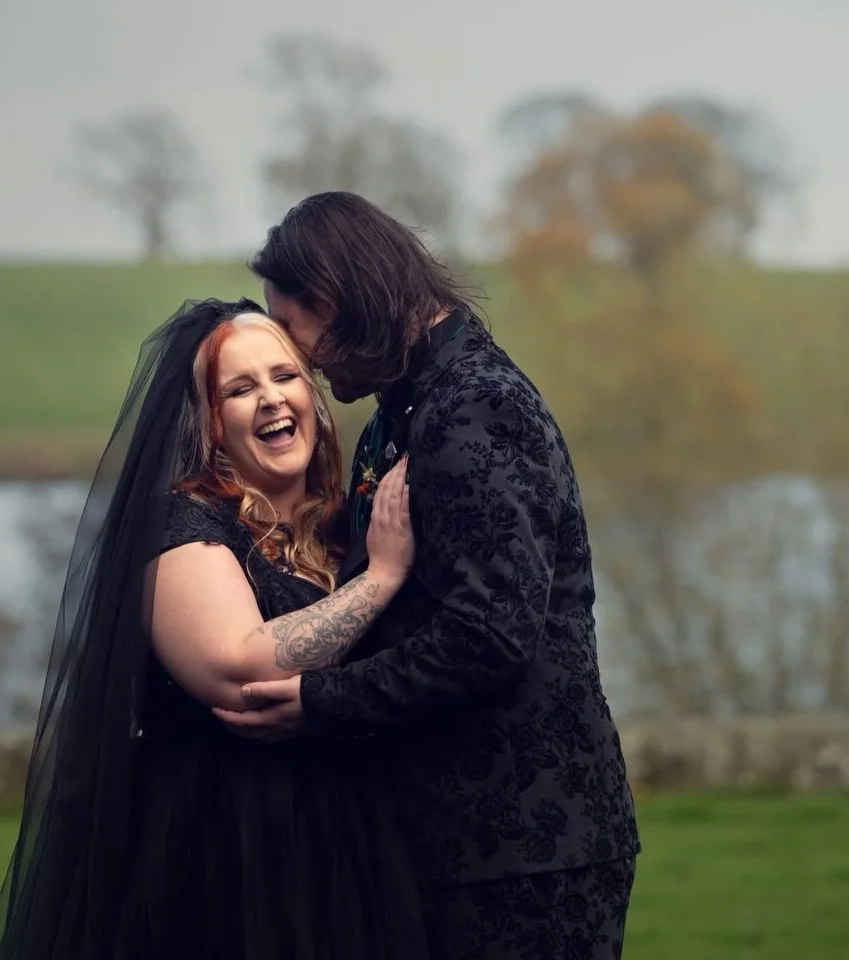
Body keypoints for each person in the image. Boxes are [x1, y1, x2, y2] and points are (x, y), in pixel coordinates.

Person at [215, 192, 643, 960]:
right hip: (460, 841)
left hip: (527, 848)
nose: (306, 360)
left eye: (302, 332)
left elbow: (490, 635)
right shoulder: (408, 410)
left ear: (342, 302)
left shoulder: (477, 407)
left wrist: (320, 702)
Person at [0, 297, 431, 960]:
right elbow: (240, 665)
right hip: (223, 856)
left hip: (348, 842)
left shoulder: (341, 528)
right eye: (241, 389)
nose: (273, 401)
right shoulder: (180, 527)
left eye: (285, 377)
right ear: (210, 424)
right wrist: (383, 580)